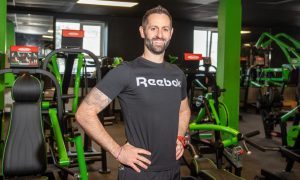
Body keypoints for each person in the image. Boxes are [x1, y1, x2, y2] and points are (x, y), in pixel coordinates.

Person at [76, 5, 191, 180]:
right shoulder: (126, 72)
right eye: (153, 28)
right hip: (139, 172)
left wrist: (180, 137)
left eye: (165, 29)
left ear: (171, 33)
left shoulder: (178, 74)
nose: (159, 34)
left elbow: (184, 110)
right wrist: (118, 152)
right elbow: (84, 113)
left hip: (173, 170)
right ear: (142, 31)